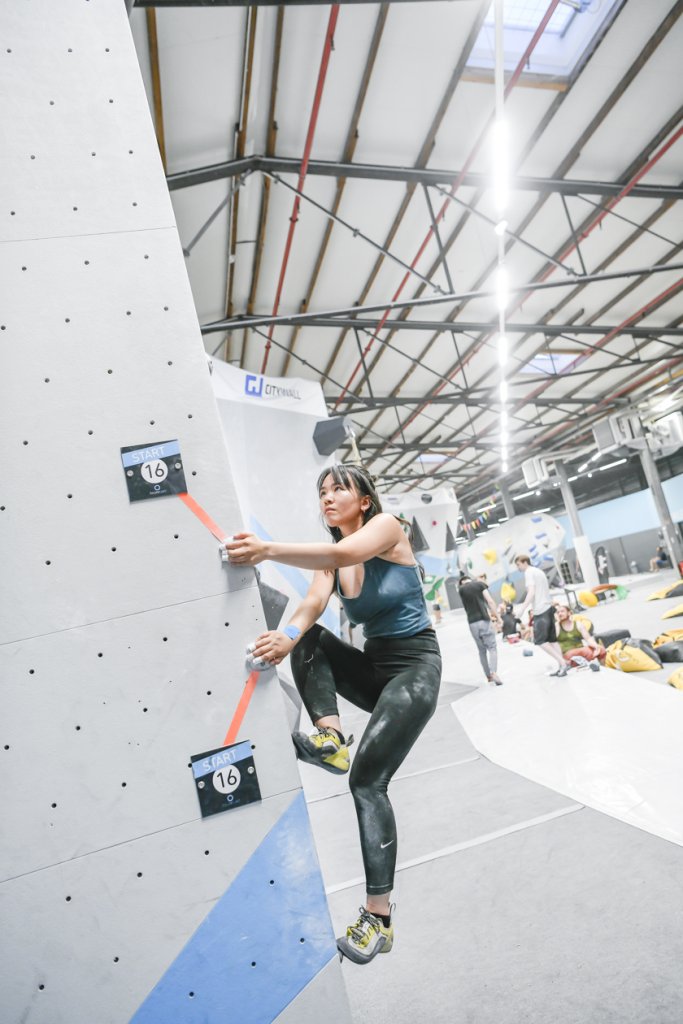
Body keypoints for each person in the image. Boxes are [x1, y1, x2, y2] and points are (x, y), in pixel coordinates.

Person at [225, 464, 441, 965]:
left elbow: (344, 551)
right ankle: (330, 739)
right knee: (309, 640)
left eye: (339, 488)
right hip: (375, 669)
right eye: (322, 490)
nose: (327, 497)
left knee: (368, 784)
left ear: (364, 500)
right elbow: (314, 604)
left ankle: (378, 919)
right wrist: (288, 635)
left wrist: (268, 549)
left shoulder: (387, 530)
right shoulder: (330, 564)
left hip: (416, 670)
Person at [514, 554, 567, 676]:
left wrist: (522, 609)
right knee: (552, 640)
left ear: (524, 562)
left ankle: (562, 663)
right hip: (548, 607)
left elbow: (531, 592)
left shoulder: (529, 572)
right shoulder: (539, 571)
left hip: (540, 609)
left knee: (540, 641)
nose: (518, 568)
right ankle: (562, 666)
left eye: (518, 564)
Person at [458, 572, 502, 685]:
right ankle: (494, 672)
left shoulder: (461, 590)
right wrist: (498, 617)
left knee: (481, 650)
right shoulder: (479, 585)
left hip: (472, 623)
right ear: (470, 579)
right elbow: (490, 601)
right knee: (492, 648)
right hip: (484, 620)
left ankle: (488, 676)